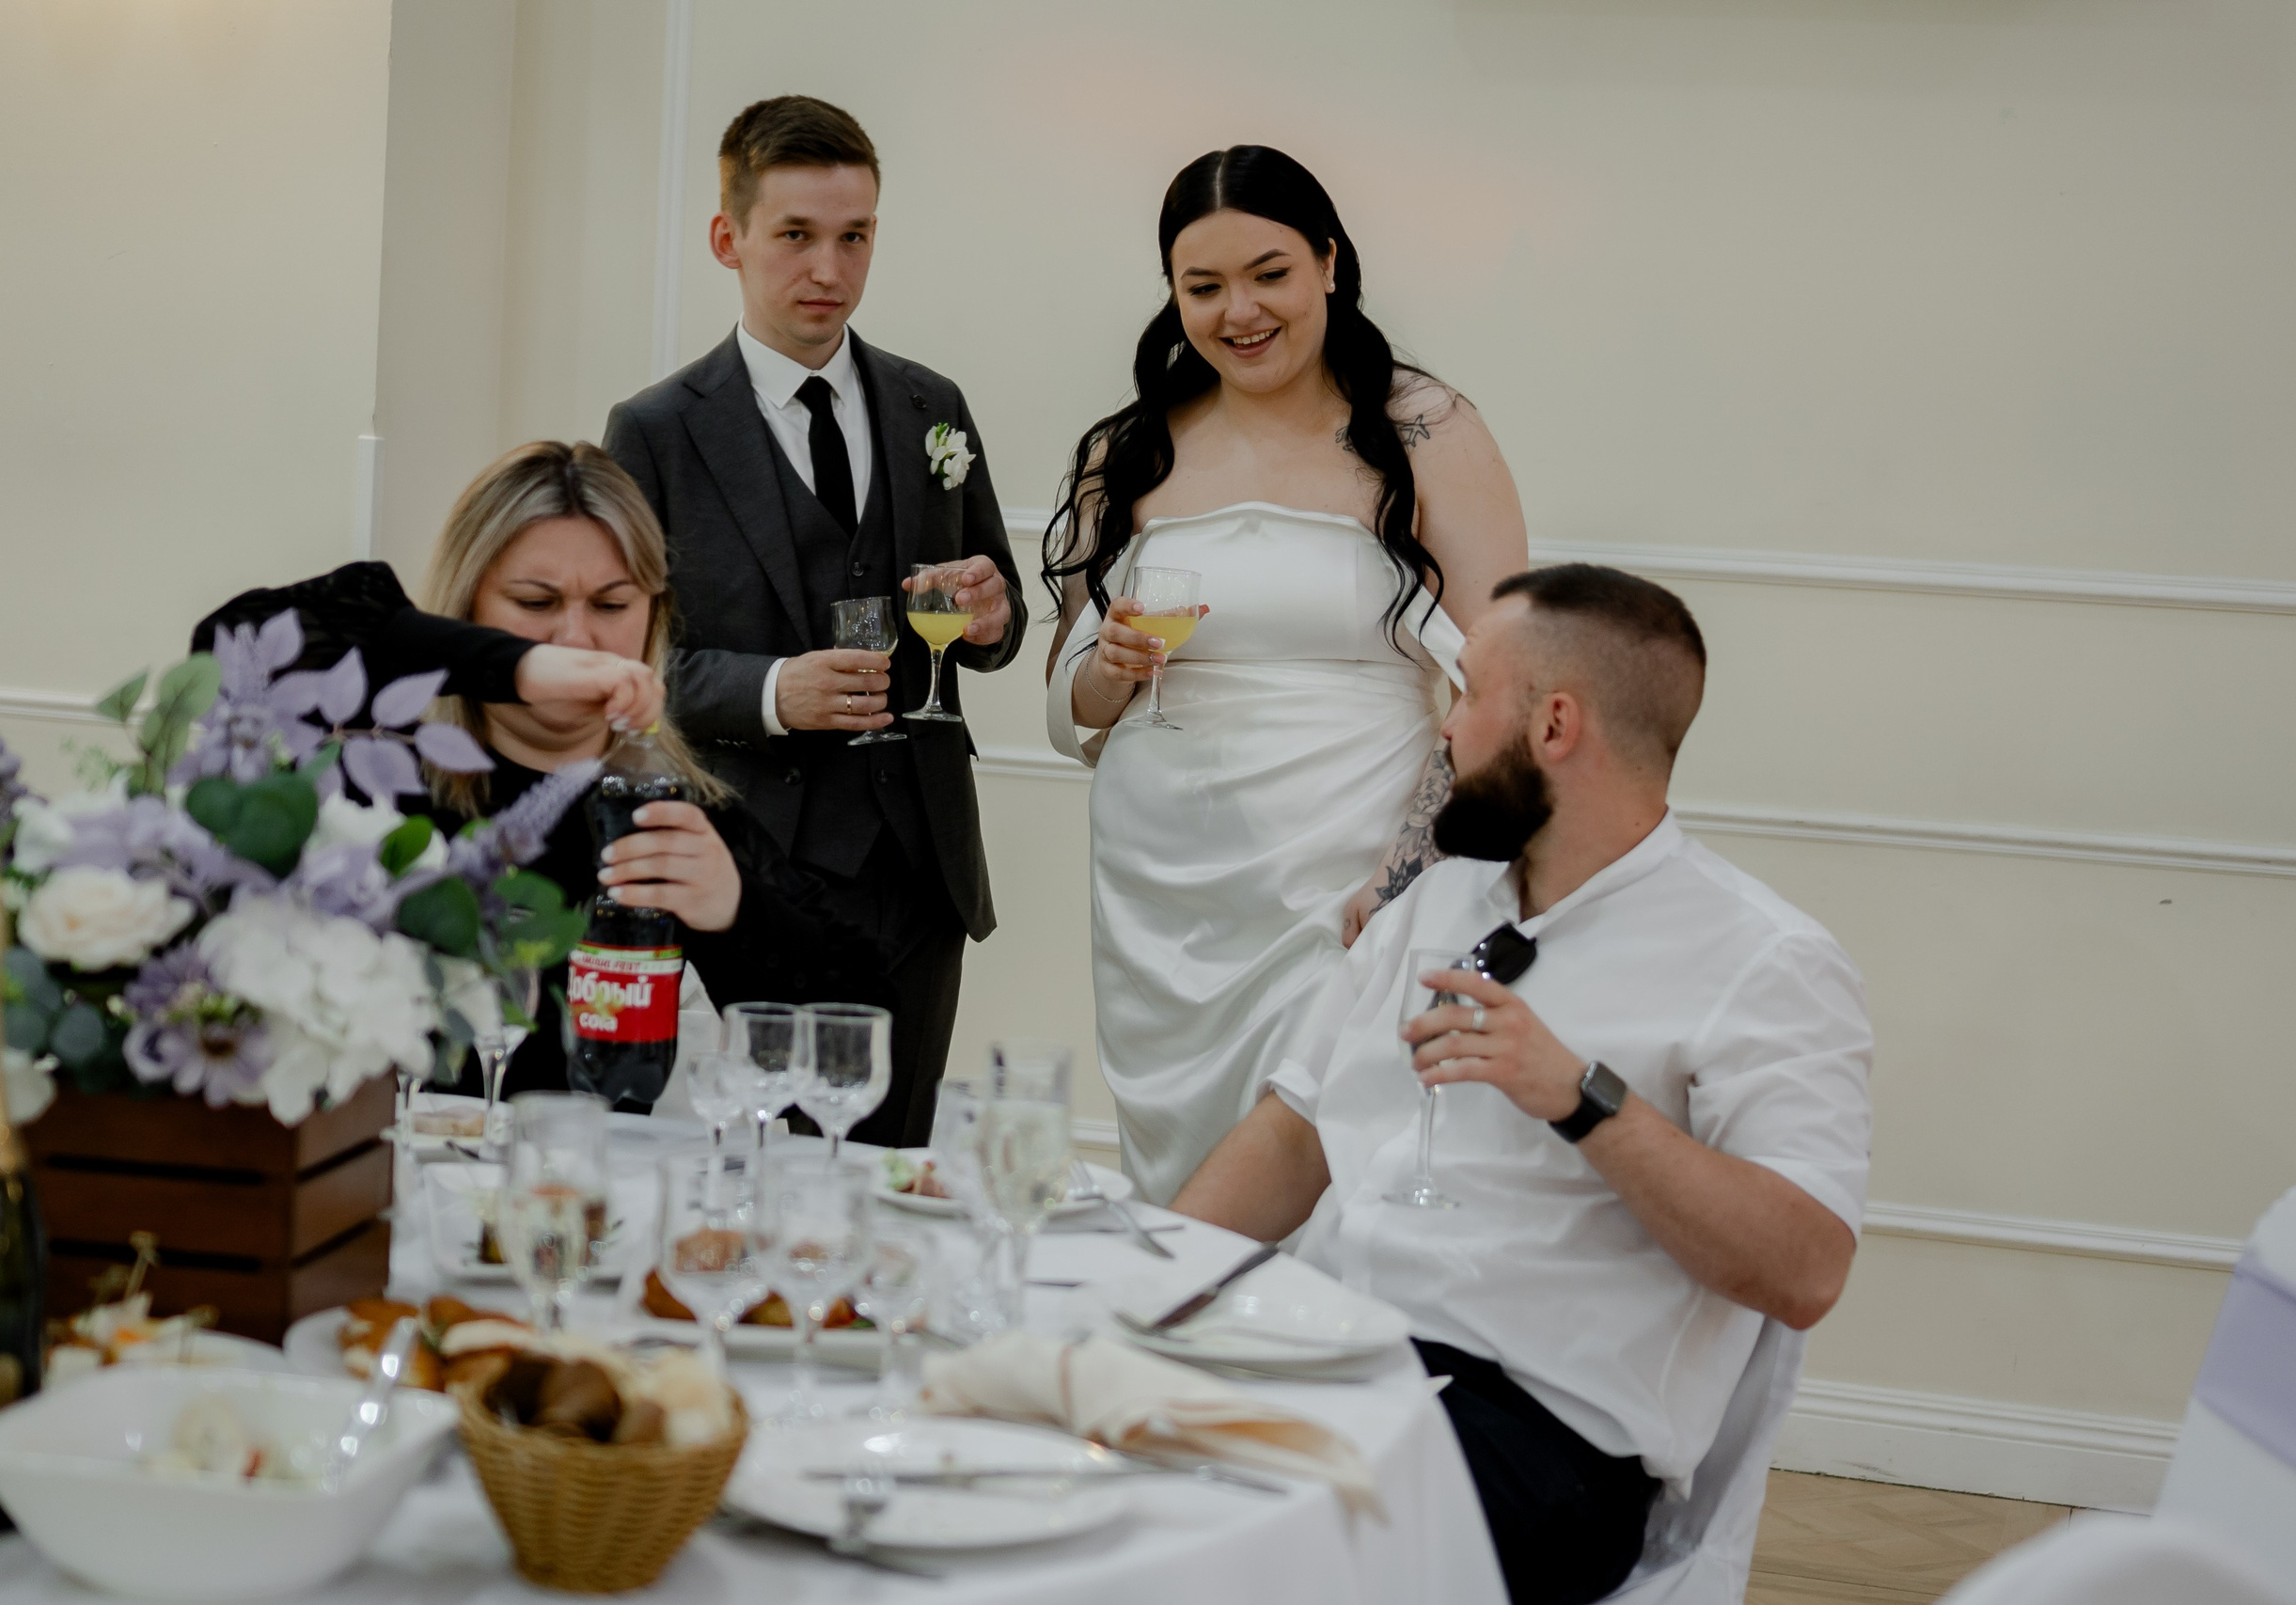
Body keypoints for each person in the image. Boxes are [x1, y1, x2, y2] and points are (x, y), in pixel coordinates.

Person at [1172, 565, 1874, 1605]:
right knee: (1038, 1455)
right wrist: (1145, 1284)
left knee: (1213, 1550)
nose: (1447, 729)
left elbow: (1806, 1269)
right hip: (1321, 1350)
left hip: (1535, 1439)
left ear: (1553, 725)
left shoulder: (1766, 960)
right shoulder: (1435, 903)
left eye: (1466, 694)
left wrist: (1580, 1098)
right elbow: (1294, 1133)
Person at [1043, 146, 1529, 1203]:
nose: (1240, 312)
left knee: (1329, 1158)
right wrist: (1109, 667)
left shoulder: (1424, 427)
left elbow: (1502, 679)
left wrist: (1406, 872)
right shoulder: (1132, 449)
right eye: (1203, 287)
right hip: (1158, 893)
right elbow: (1068, 700)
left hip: (1347, 868)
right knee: (1181, 1187)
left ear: (1329, 262)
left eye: (1269, 274)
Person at [193, 441, 885, 1104]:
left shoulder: (665, 813)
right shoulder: (381, 762)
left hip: (584, 1172)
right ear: (468, 606)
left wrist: (737, 909)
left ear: (653, 617)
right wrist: (519, 666)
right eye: (535, 603)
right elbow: (230, 643)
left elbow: (862, 1023)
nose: (575, 638)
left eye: (610, 605)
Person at [605, 95, 1026, 1148]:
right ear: (729, 238)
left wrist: (991, 616)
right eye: (795, 235)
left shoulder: (933, 407)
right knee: (769, 1170)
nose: (828, 270)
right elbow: (624, 665)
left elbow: (1003, 614)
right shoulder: (654, 432)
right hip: (753, 871)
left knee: (893, 1162)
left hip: (921, 867)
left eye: (855, 237)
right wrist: (770, 692)